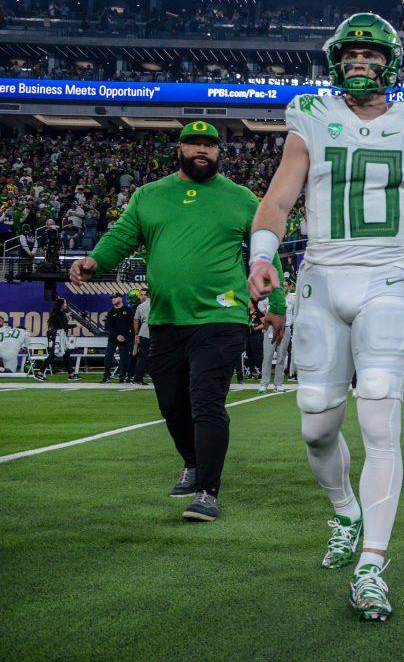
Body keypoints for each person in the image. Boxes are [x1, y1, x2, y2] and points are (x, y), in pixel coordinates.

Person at [247, 13, 404, 621]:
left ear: (390, 61)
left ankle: (372, 563)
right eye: (351, 54)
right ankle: (344, 508)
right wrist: (262, 257)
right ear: (337, 59)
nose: (360, 63)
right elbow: (281, 197)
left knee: (382, 417)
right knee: (316, 425)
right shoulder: (309, 113)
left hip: (388, 277)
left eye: (371, 55)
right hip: (320, 275)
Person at [71, 121, 287, 524]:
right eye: (194, 144)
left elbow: (266, 251)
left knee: (206, 401)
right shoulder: (149, 196)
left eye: (209, 144)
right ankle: (191, 462)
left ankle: (207, 490)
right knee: (171, 404)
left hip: (221, 315)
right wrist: (95, 260)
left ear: (220, 153)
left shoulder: (241, 198)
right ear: (180, 149)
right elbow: (121, 236)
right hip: (166, 318)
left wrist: (275, 304)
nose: (202, 150)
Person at [258, 281, 297, 393]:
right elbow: (260, 304)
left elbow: (295, 313)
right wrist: (268, 316)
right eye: (282, 285)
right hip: (270, 328)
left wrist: (290, 324)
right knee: (268, 356)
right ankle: (264, 384)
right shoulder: (272, 294)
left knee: (281, 356)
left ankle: (278, 384)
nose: (283, 287)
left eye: (286, 285)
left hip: (285, 328)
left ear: (290, 287)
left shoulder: (293, 298)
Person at [100, 294, 134, 383]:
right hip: (113, 338)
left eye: (115, 298)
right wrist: (117, 335)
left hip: (125, 339)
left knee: (124, 358)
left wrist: (128, 336)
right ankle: (106, 376)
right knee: (108, 356)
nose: (113, 300)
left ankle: (122, 377)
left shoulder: (128, 310)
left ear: (120, 298)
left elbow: (132, 324)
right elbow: (108, 327)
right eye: (112, 298)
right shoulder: (111, 311)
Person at [46, 297, 80, 380]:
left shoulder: (59, 313)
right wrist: (76, 325)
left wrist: (65, 317)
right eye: (64, 303)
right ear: (61, 305)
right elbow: (64, 326)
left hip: (60, 336)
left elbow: (61, 324)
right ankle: (40, 372)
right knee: (52, 355)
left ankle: (71, 374)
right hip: (59, 337)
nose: (66, 305)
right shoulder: (59, 314)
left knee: (66, 355)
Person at [131, 288, 152, 384]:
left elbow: (135, 321)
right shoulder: (157, 304)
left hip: (143, 332)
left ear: (147, 295)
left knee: (142, 357)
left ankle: (137, 378)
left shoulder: (140, 306)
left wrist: (136, 334)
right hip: (156, 332)